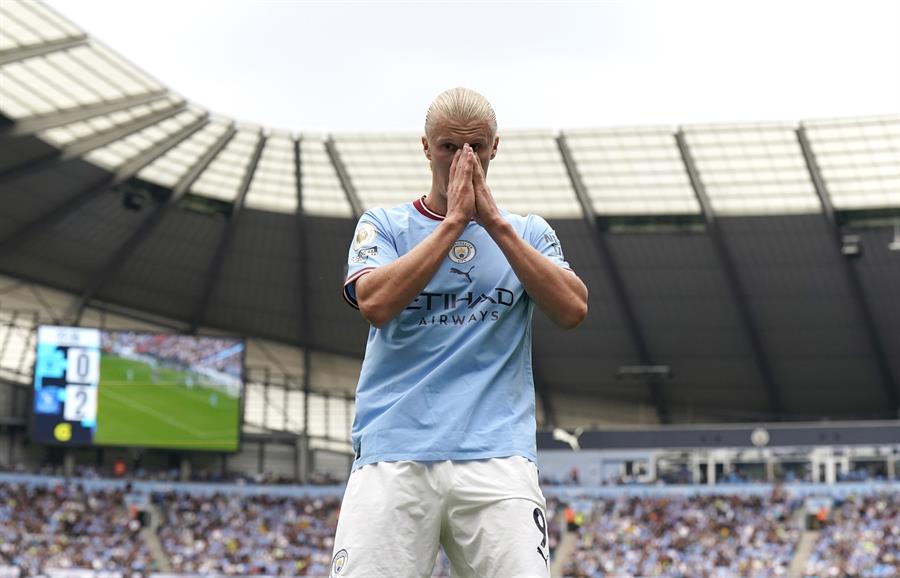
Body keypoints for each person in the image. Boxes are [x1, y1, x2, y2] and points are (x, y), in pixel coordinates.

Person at [332, 87, 588, 578]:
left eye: (476, 147)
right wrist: (453, 223)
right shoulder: (384, 224)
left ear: (495, 147)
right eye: (449, 146)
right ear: (426, 147)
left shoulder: (528, 233)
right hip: (395, 451)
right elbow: (376, 304)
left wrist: (493, 224)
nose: (463, 159)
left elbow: (573, 308)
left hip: (498, 456)